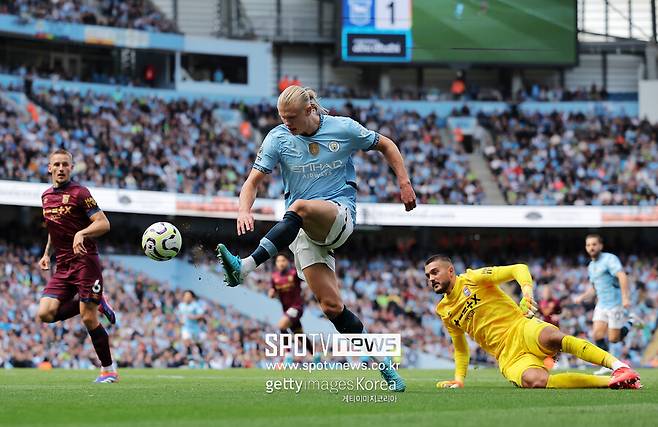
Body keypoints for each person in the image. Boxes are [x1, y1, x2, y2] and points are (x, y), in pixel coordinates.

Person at [217, 85, 416, 391]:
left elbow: (386, 144)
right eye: (282, 118)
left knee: (299, 207)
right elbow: (251, 182)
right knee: (331, 307)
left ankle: (246, 266)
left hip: (339, 214)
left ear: (310, 110)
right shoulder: (278, 138)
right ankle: (384, 365)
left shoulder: (343, 128)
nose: (287, 124)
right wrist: (244, 210)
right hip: (302, 229)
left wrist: (404, 182)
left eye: (292, 117)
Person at [424, 255, 641, 389]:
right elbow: (460, 349)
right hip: (507, 355)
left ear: (450, 270)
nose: (431, 278)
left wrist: (526, 292)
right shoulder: (444, 311)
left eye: (435, 272)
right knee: (536, 381)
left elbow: (519, 268)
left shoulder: (472, 278)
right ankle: (614, 382)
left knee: (552, 337)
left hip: (521, 327)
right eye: (428, 276)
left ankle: (619, 367)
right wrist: (459, 379)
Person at [38, 148, 118, 383]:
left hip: (85, 262)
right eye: (57, 164)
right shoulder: (45, 197)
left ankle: (108, 370)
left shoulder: (81, 193)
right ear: (49, 168)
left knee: (88, 318)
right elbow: (54, 228)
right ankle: (97, 300)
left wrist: (82, 233)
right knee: (45, 313)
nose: (61, 168)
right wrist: (46, 254)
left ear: (71, 168)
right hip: (62, 265)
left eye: (65, 164)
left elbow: (104, 224)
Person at [575, 234, 638, 374]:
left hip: (615, 303)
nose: (591, 247)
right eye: (588, 245)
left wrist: (625, 298)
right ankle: (606, 364)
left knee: (614, 339)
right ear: (586, 247)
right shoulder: (591, 266)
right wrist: (582, 296)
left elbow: (622, 275)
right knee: (597, 335)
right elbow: (594, 288)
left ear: (600, 246)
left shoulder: (609, 259)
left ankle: (631, 321)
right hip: (602, 304)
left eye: (594, 244)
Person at [269, 253, 316, 362]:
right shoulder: (274, 277)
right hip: (286, 310)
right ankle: (315, 355)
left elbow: (308, 279)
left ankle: (288, 355)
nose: (281, 263)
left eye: (283, 260)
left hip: (297, 307)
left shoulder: (294, 274)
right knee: (300, 335)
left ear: (287, 262)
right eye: (278, 261)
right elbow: (272, 291)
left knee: (281, 326)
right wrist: (271, 294)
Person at [177, 290, 206, 366]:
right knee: (187, 342)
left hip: (194, 328)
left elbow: (201, 315)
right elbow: (180, 315)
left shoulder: (195, 305)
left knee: (197, 344)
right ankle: (191, 360)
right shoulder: (181, 305)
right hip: (186, 327)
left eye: (188, 296)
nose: (187, 298)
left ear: (191, 297)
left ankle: (201, 357)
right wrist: (180, 320)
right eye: (185, 296)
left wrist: (194, 317)